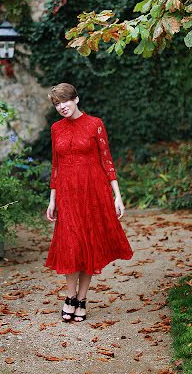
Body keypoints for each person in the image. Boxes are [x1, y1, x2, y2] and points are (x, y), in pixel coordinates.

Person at [45, 82, 133, 322]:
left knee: (87, 246)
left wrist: (117, 195)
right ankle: (69, 297)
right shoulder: (56, 129)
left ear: (76, 99)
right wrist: (52, 199)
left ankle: (82, 299)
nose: (61, 106)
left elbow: (107, 161)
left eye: (64, 101)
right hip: (67, 195)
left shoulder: (95, 124)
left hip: (93, 193)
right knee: (71, 244)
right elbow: (55, 165)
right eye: (56, 103)